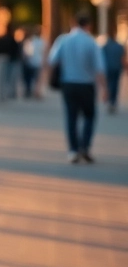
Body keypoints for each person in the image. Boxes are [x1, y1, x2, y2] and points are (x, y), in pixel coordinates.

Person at [50, 14, 108, 163]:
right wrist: (105, 89)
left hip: (68, 83)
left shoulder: (63, 40)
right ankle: (85, 147)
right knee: (89, 116)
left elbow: (52, 60)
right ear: (88, 25)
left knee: (71, 117)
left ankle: (73, 150)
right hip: (86, 84)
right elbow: (99, 68)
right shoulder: (91, 42)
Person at [0, 25, 23, 99]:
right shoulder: (13, 40)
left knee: (3, 78)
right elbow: (17, 51)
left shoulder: (2, 40)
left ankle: (4, 94)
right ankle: (11, 93)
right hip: (12, 61)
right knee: (11, 78)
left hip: (4, 62)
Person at [103, 32, 125, 114]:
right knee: (115, 85)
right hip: (117, 68)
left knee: (109, 85)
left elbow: (101, 58)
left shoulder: (105, 47)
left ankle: (110, 101)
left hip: (108, 68)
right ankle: (113, 101)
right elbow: (122, 58)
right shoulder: (119, 46)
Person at [22, 27, 46, 100]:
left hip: (30, 62)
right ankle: (37, 92)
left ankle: (29, 91)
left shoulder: (30, 41)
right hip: (38, 62)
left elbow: (26, 52)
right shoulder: (42, 42)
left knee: (29, 78)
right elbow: (44, 52)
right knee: (37, 79)